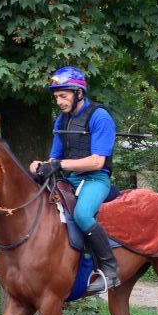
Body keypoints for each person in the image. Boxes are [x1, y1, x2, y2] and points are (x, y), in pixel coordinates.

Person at [29, 66, 120, 290]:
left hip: (95, 179)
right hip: (70, 180)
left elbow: (97, 161)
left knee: (81, 214)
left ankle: (110, 270)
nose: (59, 101)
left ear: (78, 92)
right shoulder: (61, 121)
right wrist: (41, 165)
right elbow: (54, 158)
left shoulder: (100, 117)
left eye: (63, 95)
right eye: (56, 97)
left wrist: (60, 165)